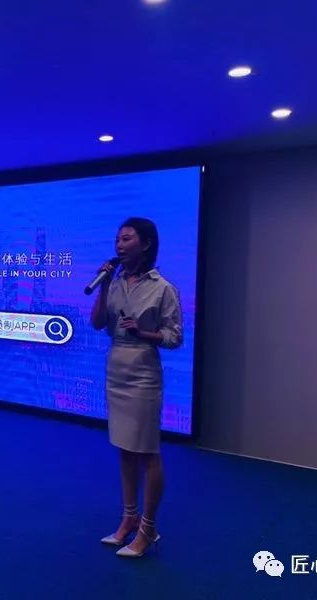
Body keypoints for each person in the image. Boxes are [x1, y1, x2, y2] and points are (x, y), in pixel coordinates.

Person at [90, 217, 183, 558]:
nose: (119, 244)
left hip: (143, 372)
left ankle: (148, 528)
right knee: (125, 448)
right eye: (117, 239)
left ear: (145, 244)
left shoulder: (163, 288)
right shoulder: (114, 282)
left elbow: (174, 337)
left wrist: (143, 333)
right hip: (116, 368)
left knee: (146, 451)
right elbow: (98, 323)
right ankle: (128, 518)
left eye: (127, 238)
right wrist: (103, 286)